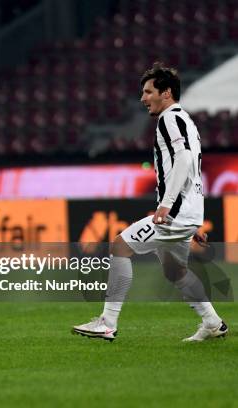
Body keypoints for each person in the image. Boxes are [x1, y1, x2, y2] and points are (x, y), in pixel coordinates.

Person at [73, 63, 228, 342]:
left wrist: (167, 205)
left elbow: (182, 160)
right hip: (186, 213)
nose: (143, 98)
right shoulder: (186, 121)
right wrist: (191, 221)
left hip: (176, 212)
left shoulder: (169, 119)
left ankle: (107, 323)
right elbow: (191, 164)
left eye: (148, 91)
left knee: (120, 246)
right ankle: (213, 323)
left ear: (166, 93)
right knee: (175, 271)